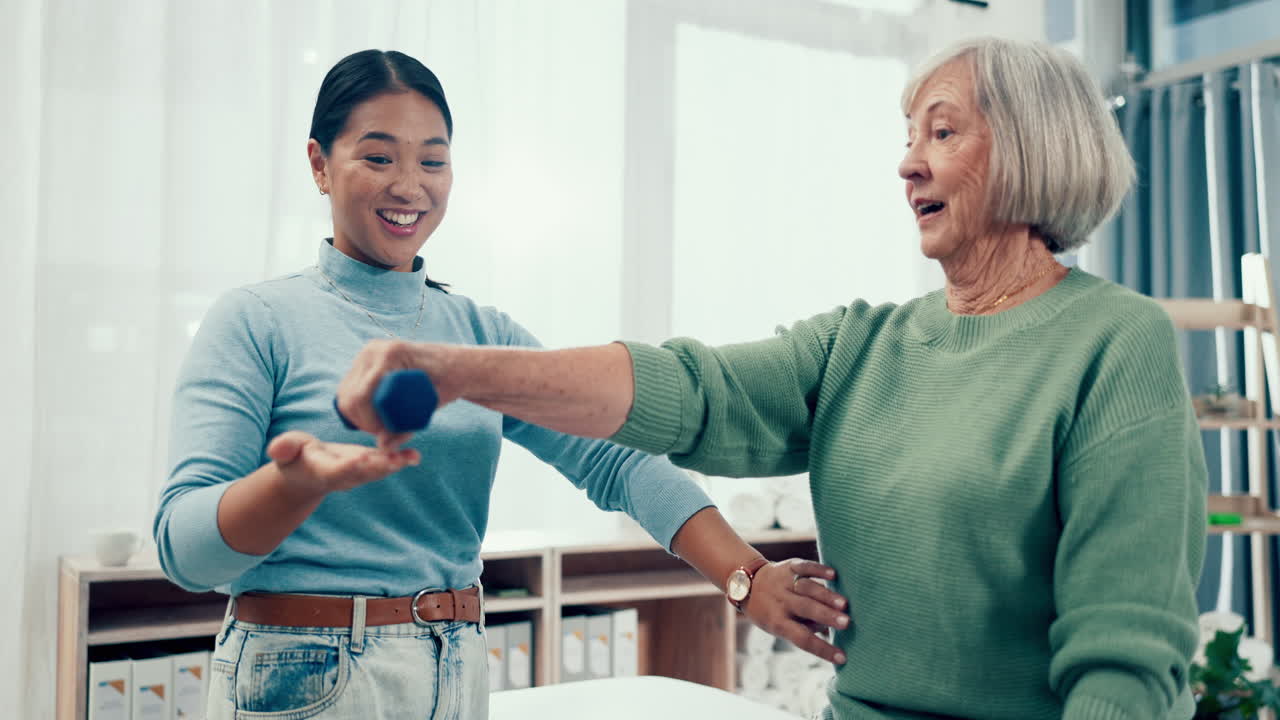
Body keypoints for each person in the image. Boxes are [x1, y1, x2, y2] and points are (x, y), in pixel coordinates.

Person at [337, 38, 1208, 719]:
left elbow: (1125, 656)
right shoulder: (860, 346)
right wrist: (447, 370)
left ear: (1031, 148)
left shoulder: (1112, 344)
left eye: (942, 133)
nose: (908, 165)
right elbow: (690, 388)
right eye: (908, 140)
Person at [154, 49, 849, 720]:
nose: (409, 185)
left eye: (433, 160)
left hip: (454, 668)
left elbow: (618, 462)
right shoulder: (257, 321)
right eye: (377, 156)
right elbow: (185, 550)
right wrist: (294, 486)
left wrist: (747, 578)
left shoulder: (480, 337)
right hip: (301, 672)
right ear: (319, 165)